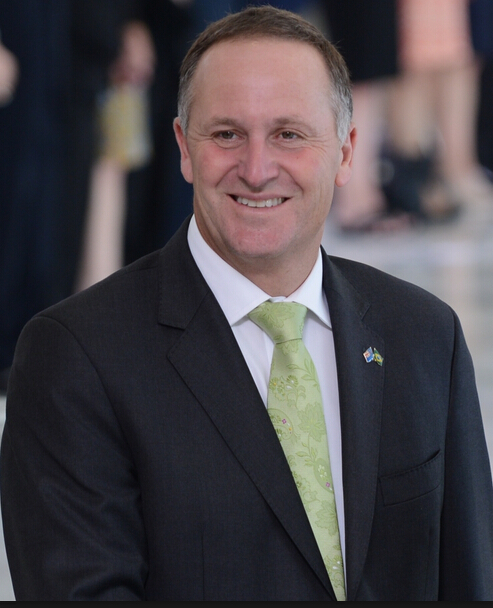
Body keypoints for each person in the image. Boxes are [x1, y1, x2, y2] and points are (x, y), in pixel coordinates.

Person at [1, 5, 492, 601]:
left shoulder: (426, 336)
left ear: (345, 152)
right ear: (184, 148)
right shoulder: (75, 358)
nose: (257, 170)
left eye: (289, 134)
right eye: (227, 135)